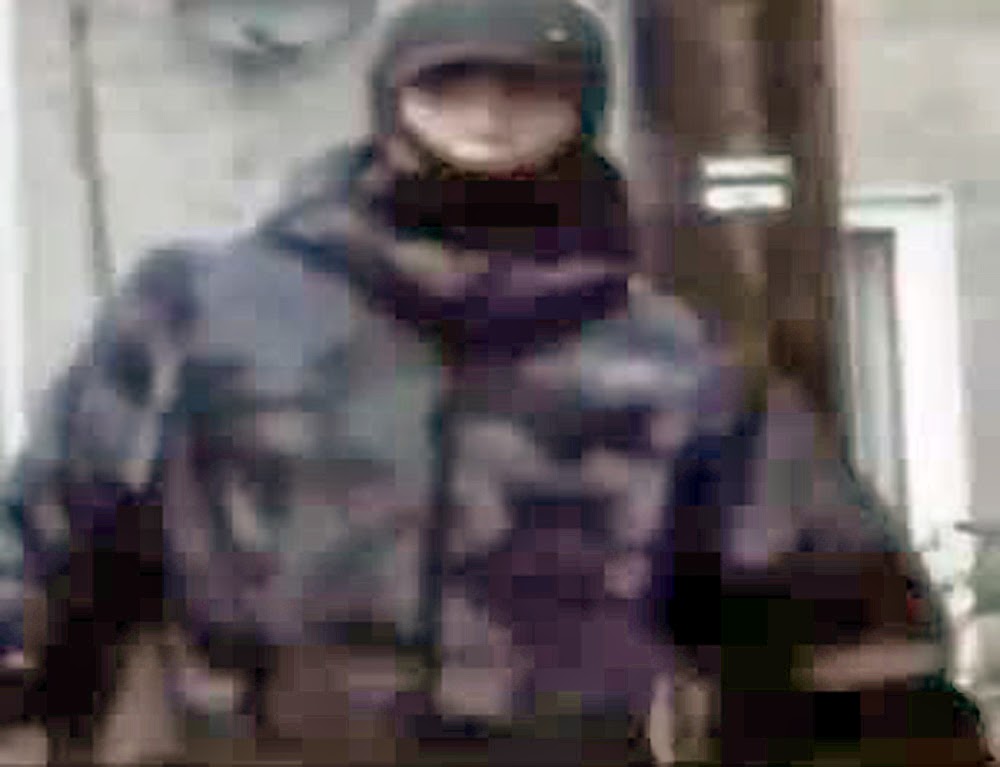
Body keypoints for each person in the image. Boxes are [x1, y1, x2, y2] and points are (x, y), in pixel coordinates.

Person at [0, 0, 989, 764]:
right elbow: (42, 547)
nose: (486, 112)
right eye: (452, 82)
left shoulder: (665, 367)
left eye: (524, 87)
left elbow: (841, 635)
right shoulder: (207, 312)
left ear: (581, 109)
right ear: (393, 97)